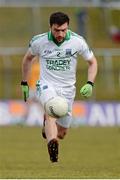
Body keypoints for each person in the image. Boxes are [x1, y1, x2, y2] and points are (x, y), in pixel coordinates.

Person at [21, 12, 97, 163]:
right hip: (46, 85)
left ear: (68, 27)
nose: (60, 34)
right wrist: (24, 83)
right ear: (50, 27)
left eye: (64, 30)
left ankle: (52, 132)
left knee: (62, 133)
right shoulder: (39, 41)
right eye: (57, 30)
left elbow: (92, 62)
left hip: (68, 90)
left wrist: (90, 83)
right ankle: (52, 145)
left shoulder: (78, 41)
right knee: (51, 112)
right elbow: (27, 60)